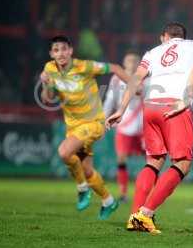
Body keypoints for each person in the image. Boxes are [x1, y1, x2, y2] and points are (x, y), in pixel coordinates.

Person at [106, 23, 193, 234]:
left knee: (153, 161)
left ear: (165, 37)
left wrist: (121, 109)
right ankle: (145, 214)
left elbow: (135, 78)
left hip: (151, 107)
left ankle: (135, 216)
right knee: (182, 164)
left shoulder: (153, 52)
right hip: (174, 105)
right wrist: (187, 98)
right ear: (183, 36)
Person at [40, 35, 129, 219]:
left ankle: (82, 189)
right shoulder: (49, 69)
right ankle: (109, 201)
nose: (61, 53)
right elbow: (47, 98)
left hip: (93, 123)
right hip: (73, 127)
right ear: (51, 54)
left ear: (71, 50)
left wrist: (134, 84)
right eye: (56, 50)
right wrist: (46, 84)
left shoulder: (84, 66)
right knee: (87, 170)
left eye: (64, 49)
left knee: (64, 152)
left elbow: (115, 68)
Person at [103, 50, 144, 202]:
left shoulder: (145, 79)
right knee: (121, 158)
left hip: (142, 127)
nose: (132, 63)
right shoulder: (116, 79)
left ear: (139, 63)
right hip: (124, 124)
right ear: (124, 63)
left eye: (135, 61)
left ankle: (150, 192)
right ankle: (123, 193)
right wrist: (104, 117)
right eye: (129, 61)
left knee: (152, 159)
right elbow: (110, 100)